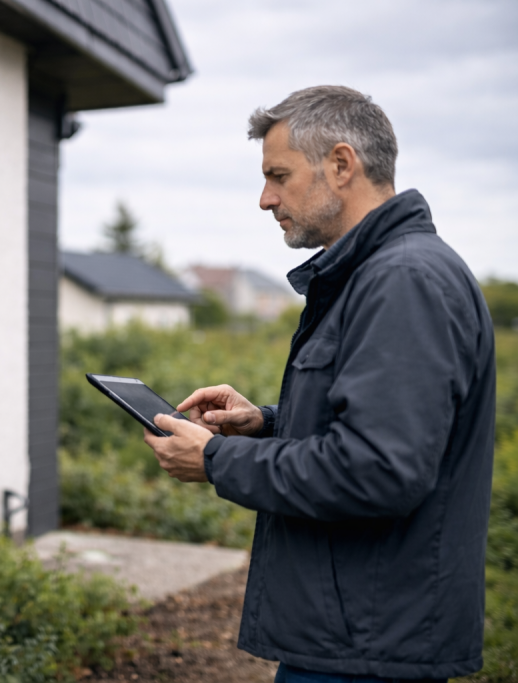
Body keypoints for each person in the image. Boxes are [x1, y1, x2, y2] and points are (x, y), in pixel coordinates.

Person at [143, 85, 495, 682]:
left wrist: (217, 459)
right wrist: (266, 424)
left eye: (278, 176)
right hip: (354, 634)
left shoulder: (403, 280)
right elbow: (384, 426)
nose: (264, 199)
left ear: (340, 164)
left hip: (369, 647)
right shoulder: (376, 274)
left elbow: (379, 470)